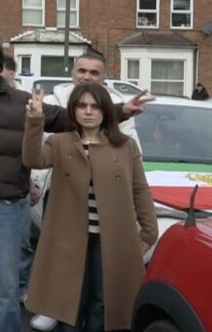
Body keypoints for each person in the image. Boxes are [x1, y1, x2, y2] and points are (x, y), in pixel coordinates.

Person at [0, 37, 150, 332]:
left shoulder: (22, 101)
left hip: (7, 204)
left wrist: (120, 110)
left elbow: (68, 118)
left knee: (5, 283)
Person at [23, 84, 157, 331]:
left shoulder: (125, 146)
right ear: (73, 111)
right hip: (69, 242)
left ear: (105, 110)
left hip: (111, 242)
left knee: (102, 306)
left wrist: (149, 232)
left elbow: (140, 189)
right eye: (81, 106)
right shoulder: (59, 142)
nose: (88, 112)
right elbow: (33, 160)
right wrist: (34, 120)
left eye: (95, 106)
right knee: (69, 306)